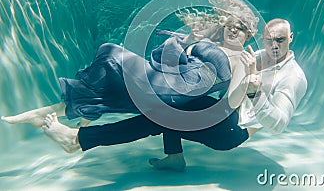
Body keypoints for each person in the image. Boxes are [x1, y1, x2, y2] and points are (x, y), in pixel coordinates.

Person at [33, 18, 307, 172]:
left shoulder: (293, 77)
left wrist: (256, 91)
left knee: (161, 118)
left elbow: (279, 124)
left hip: (233, 131)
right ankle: (175, 157)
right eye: (269, 38)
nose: (273, 44)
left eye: (280, 40)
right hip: (228, 113)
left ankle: (77, 140)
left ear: (291, 38)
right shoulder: (256, 55)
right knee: (172, 102)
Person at [2, 0, 258, 132]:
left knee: (110, 51)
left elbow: (232, 102)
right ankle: (45, 114)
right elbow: (176, 59)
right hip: (168, 81)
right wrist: (189, 39)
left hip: (171, 92)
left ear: (249, 34)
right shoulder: (216, 44)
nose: (233, 31)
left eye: (240, 29)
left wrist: (247, 76)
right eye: (231, 25)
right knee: (109, 86)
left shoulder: (242, 59)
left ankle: (85, 113)